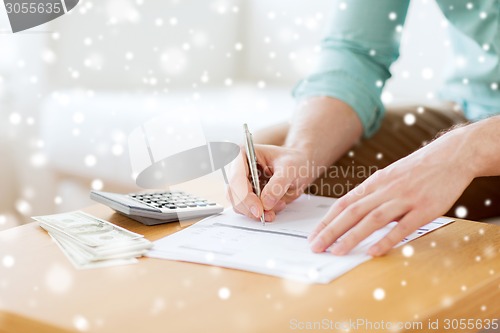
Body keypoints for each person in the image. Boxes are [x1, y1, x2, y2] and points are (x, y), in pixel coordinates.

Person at [227, 0, 500, 256]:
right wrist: (302, 152)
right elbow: (356, 51)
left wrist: (469, 150)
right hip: (475, 108)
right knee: (270, 165)